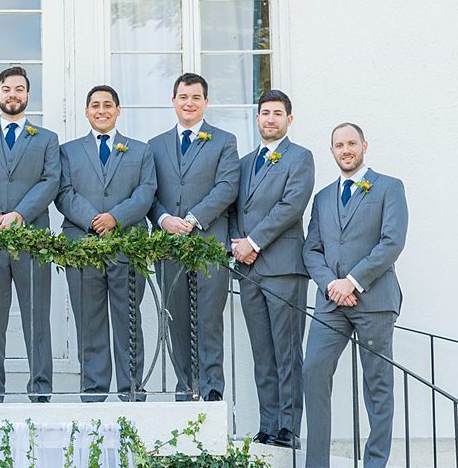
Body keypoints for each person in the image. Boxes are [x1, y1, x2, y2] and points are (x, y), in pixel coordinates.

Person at [302, 123, 407, 468]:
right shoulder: (324, 197)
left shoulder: (389, 187)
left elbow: (391, 241)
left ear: (364, 145)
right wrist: (332, 284)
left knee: (377, 382)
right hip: (331, 302)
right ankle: (316, 464)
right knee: (313, 370)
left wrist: (354, 281)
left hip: (374, 300)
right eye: (338, 145)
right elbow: (311, 249)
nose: (345, 150)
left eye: (351, 143)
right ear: (331, 151)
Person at [55, 85, 156, 402]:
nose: (101, 110)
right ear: (86, 111)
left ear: (118, 110)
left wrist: (115, 217)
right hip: (82, 246)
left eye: (108, 105)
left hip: (127, 245)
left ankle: (131, 390)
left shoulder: (140, 151)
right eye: (95, 105)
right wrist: (94, 220)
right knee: (89, 320)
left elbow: (145, 192)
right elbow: (64, 193)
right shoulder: (68, 151)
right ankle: (94, 391)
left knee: (128, 318)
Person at [230, 90, 314, 449]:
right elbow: (234, 209)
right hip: (248, 269)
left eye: (277, 113)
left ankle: (288, 428)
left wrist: (254, 241)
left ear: (288, 120)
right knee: (262, 352)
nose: (270, 119)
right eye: (264, 112)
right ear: (257, 117)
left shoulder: (300, 157)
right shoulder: (246, 161)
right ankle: (267, 424)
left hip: (282, 267)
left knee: (286, 350)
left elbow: (291, 205)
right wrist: (237, 244)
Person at [148, 72, 239, 401]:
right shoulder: (155, 145)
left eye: (196, 97)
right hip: (169, 246)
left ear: (205, 102)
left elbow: (227, 186)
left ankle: (212, 390)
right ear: (174, 101)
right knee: (177, 321)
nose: (189, 103)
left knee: (209, 320)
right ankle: (186, 389)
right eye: (183, 97)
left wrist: (193, 218)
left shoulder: (224, 141)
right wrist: (163, 219)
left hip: (208, 243)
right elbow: (149, 191)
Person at [0, 67, 60, 402]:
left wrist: (20, 215)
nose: (13, 95)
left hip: (33, 240)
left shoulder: (47, 139)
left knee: (37, 318)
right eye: (6, 89)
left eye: (19, 89)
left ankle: (40, 391)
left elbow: (50, 181)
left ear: (28, 95)